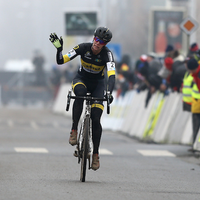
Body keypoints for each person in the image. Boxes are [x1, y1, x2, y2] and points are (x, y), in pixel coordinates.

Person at [49, 27, 115, 170]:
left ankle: (96, 154)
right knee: (79, 94)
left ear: (105, 44)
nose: (97, 44)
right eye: (96, 39)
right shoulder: (83, 47)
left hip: (98, 85)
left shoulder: (107, 55)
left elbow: (111, 75)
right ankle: (74, 130)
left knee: (96, 118)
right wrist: (59, 49)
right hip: (82, 80)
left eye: (102, 42)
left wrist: (109, 92)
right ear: (93, 38)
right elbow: (61, 61)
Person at [186, 58, 200, 147]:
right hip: (196, 103)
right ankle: (196, 144)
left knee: (196, 126)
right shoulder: (196, 74)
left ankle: (196, 144)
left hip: (197, 103)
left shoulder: (198, 74)